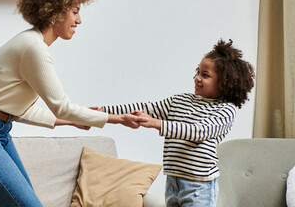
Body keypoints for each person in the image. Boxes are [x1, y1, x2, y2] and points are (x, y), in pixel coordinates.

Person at [0, 0, 146, 206]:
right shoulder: (34, 48)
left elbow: (20, 110)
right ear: (55, 10)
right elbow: (61, 107)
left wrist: (72, 121)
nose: (79, 20)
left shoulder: (30, 43)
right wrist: (116, 119)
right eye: (75, 12)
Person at [95, 39, 255, 207]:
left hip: (199, 186)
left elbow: (197, 131)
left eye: (205, 75)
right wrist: (103, 111)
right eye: (198, 72)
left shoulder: (225, 110)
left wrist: (157, 124)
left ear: (225, 82)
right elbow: (145, 108)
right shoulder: (180, 101)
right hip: (173, 180)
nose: (197, 78)